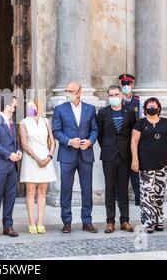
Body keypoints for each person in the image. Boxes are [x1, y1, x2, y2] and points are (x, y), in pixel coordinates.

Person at [52, 82, 99, 234]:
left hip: (86, 155)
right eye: (67, 91)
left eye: (71, 91)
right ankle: (66, 222)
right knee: (66, 190)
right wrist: (69, 141)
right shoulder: (60, 109)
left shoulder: (90, 109)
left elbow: (95, 129)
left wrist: (90, 141)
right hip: (67, 154)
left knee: (87, 189)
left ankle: (87, 221)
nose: (68, 93)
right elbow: (56, 131)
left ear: (80, 92)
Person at [131, 98, 167, 233]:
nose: (152, 107)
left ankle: (158, 221)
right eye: (149, 105)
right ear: (145, 108)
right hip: (145, 163)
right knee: (147, 194)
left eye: (154, 105)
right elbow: (134, 142)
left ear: (159, 108)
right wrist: (135, 160)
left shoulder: (166, 123)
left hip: (163, 163)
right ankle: (148, 222)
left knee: (159, 193)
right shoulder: (140, 123)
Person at [97, 85, 136, 234]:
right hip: (109, 156)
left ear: (121, 95)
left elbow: (133, 134)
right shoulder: (102, 113)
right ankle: (110, 222)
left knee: (124, 189)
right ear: (108, 97)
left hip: (125, 155)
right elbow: (100, 135)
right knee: (110, 189)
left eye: (116, 94)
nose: (114, 97)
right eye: (111, 95)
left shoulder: (130, 112)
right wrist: (108, 147)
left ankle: (125, 221)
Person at [19, 99, 57, 234]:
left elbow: (52, 141)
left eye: (32, 106)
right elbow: (24, 143)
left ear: (37, 107)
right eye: (28, 107)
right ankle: (31, 222)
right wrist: (36, 158)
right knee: (30, 191)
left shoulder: (46, 121)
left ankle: (40, 222)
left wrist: (49, 156)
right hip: (31, 159)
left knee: (42, 191)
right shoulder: (23, 122)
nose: (30, 108)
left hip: (45, 158)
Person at [0, 95, 22, 239]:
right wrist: (9, 155)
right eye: (13, 105)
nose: (14, 108)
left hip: (11, 168)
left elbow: (15, 143)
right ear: (5, 105)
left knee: (10, 197)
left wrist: (18, 150)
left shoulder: (12, 123)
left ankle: (8, 225)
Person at [118, 74, 141, 206]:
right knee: (119, 171)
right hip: (121, 138)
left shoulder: (138, 100)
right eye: (124, 84)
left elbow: (141, 118)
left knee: (135, 170)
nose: (126, 86)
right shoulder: (117, 99)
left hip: (135, 138)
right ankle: (119, 198)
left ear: (132, 84)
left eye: (128, 84)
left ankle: (138, 197)